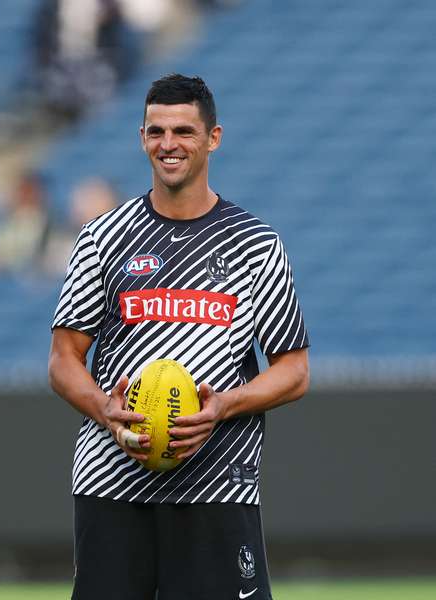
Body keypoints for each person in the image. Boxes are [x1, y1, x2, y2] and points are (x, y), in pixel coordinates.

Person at [48, 74, 309, 599]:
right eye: (156, 131)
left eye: (184, 131)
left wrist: (224, 406)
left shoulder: (255, 244)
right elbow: (62, 360)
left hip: (219, 486)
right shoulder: (103, 237)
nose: (168, 144)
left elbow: (294, 369)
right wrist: (105, 409)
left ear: (213, 138)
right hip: (112, 485)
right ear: (141, 137)